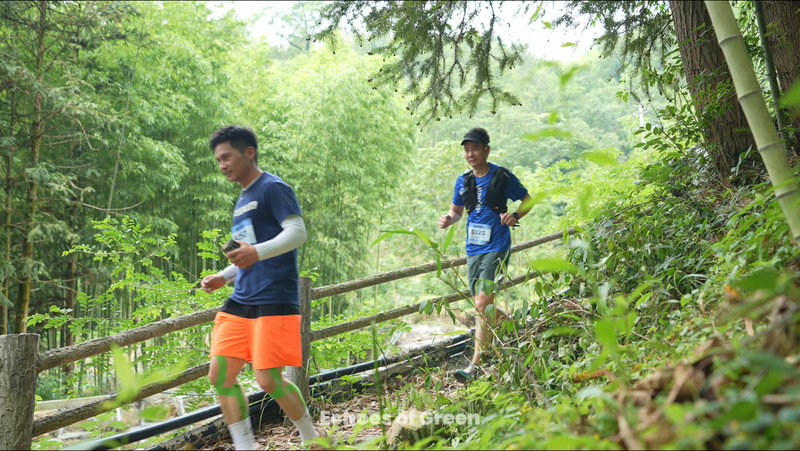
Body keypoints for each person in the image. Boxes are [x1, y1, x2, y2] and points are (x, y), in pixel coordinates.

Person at [201, 125, 324, 450]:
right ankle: (246, 447)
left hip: (275, 297)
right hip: (241, 299)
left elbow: (297, 232)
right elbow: (249, 250)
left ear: (249, 153)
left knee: (268, 379)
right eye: (218, 160)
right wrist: (223, 276)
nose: (222, 164)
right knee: (220, 376)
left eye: (227, 156)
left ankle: (311, 439)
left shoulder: (273, 187)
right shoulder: (241, 200)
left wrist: (254, 252)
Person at [438, 127, 533, 382]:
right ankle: (513, 324)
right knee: (482, 307)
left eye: (475, 149)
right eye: (467, 150)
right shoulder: (464, 180)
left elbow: (528, 200)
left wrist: (514, 216)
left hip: (497, 245)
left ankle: (475, 366)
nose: (471, 154)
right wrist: (449, 219)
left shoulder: (502, 176)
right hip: (474, 249)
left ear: (486, 149)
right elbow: (457, 211)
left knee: (481, 304)